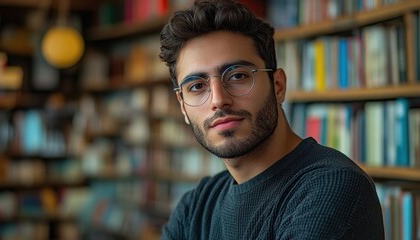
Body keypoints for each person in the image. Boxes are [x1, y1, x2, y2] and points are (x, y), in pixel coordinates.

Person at [158, 0, 385, 239]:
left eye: (237, 76)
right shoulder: (195, 207)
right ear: (183, 107)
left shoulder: (332, 186)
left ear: (278, 86)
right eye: (197, 86)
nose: (218, 100)